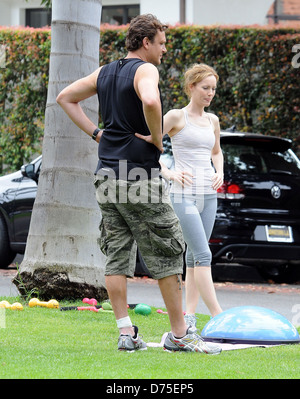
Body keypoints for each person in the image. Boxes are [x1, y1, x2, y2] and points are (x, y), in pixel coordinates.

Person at [57, 15, 221, 354]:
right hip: (139, 177)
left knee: (116, 255)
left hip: (106, 176)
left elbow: (65, 97)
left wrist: (97, 133)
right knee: (167, 251)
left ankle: (126, 334)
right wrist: (158, 139)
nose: (163, 50)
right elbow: (150, 100)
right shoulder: (146, 70)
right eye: (161, 43)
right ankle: (180, 335)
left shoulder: (105, 71)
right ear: (145, 42)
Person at [138, 63, 223, 326]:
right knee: (203, 255)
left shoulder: (213, 120)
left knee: (194, 257)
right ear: (191, 87)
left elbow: (216, 152)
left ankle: (189, 316)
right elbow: (149, 144)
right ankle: (219, 315)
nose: (210, 93)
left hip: (208, 195)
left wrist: (219, 171)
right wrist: (168, 172)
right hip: (183, 195)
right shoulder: (176, 116)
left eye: (213, 89)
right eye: (205, 88)